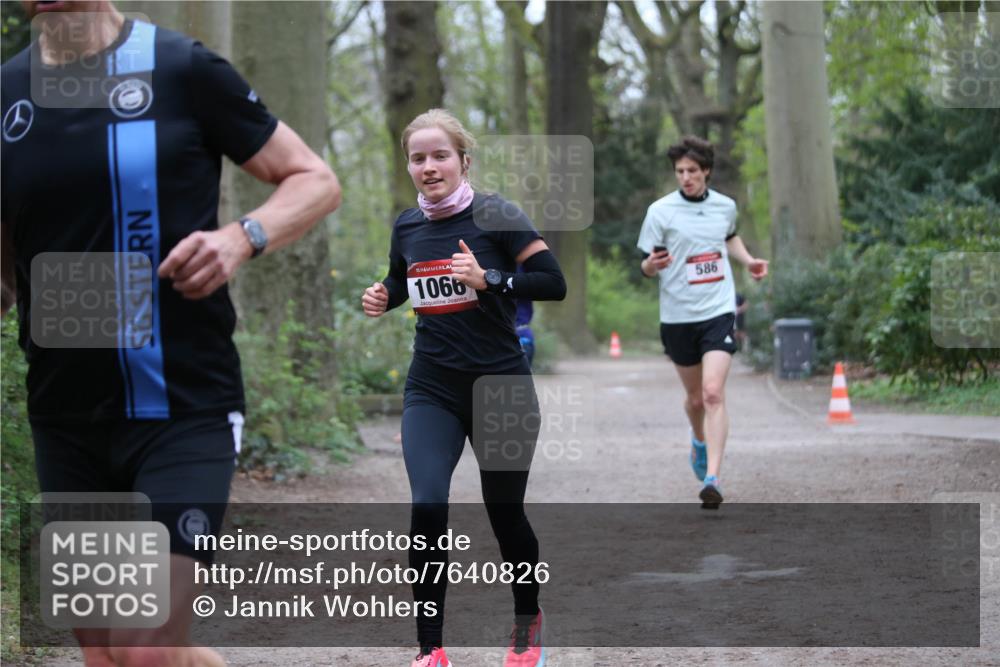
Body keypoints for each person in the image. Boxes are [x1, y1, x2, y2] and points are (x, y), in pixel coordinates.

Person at [1, 2, 341, 665]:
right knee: (104, 652)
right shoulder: (5, 94)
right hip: (66, 409)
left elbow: (315, 180)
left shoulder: (181, 68)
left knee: (146, 643)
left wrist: (241, 238)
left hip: (184, 402)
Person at [361, 109, 565, 667]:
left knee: (505, 514)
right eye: (418, 158)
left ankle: (527, 629)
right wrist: (384, 294)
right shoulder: (407, 225)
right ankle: (431, 650)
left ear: (463, 161)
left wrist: (490, 279)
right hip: (432, 387)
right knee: (427, 504)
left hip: (500, 386)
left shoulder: (496, 214)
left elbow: (553, 282)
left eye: (440, 156)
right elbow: (404, 279)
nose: (428, 167)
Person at [636, 136, 768, 509]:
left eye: (692, 171)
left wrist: (748, 261)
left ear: (706, 171)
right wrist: (651, 266)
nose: (686, 177)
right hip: (678, 315)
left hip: (718, 309)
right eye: (680, 171)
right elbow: (646, 264)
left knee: (712, 392)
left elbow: (728, 237)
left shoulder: (725, 206)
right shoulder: (660, 211)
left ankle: (712, 478)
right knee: (695, 399)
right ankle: (698, 439)